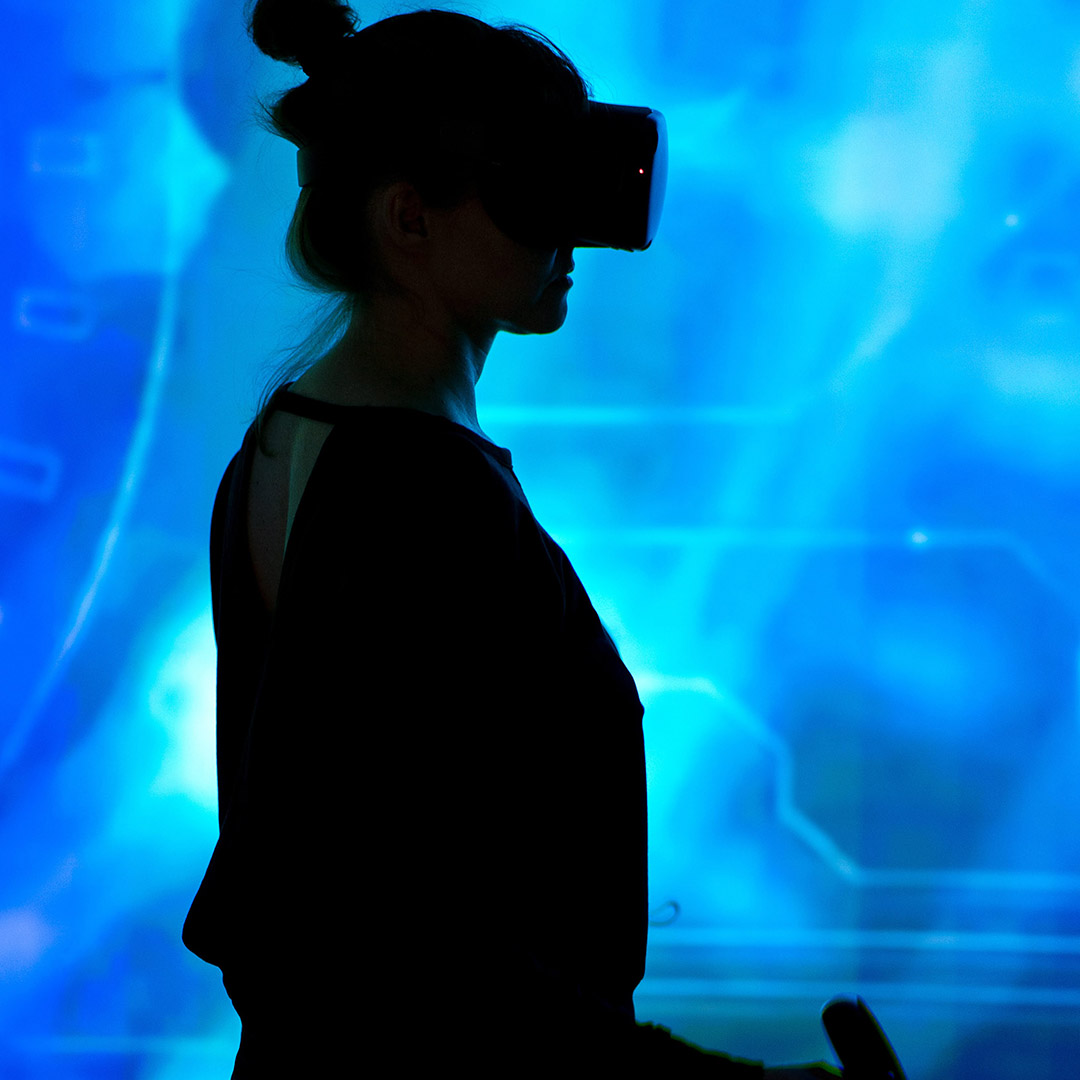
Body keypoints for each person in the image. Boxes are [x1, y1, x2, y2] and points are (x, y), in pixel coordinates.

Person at [181, 3, 843, 1077]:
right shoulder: (421, 499)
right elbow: (422, 951)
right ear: (410, 221)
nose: (568, 232)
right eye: (528, 190)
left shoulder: (298, 439)